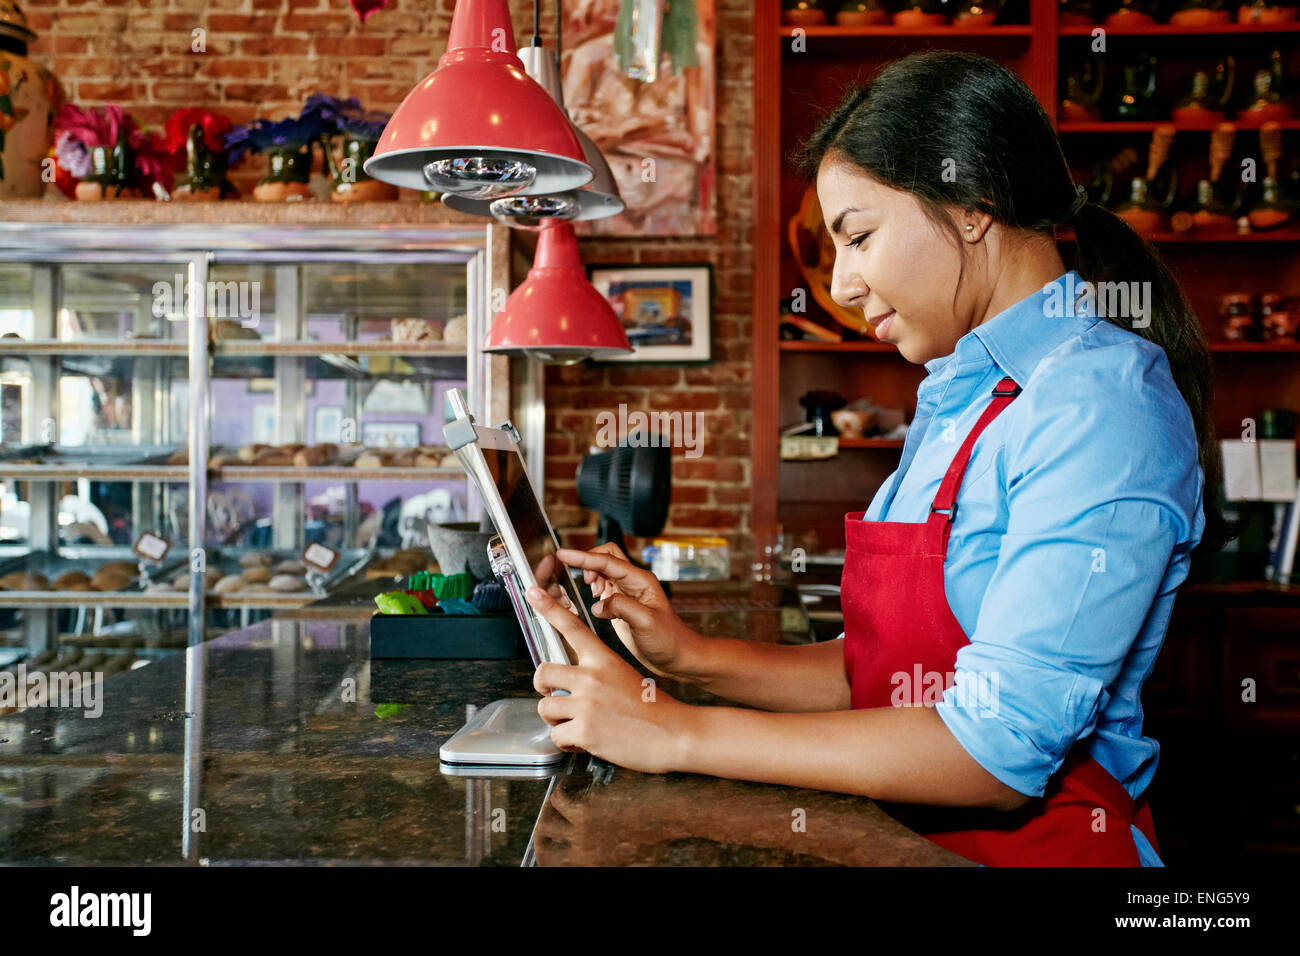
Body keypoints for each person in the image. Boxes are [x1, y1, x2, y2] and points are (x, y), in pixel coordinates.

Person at [523, 50, 1229, 866]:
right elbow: (885, 674)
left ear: (971, 205)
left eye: (858, 237)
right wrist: (691, 657)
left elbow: (994, 748)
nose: (845, 285)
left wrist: (675, 730)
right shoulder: (960, 394)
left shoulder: (1101, 405)